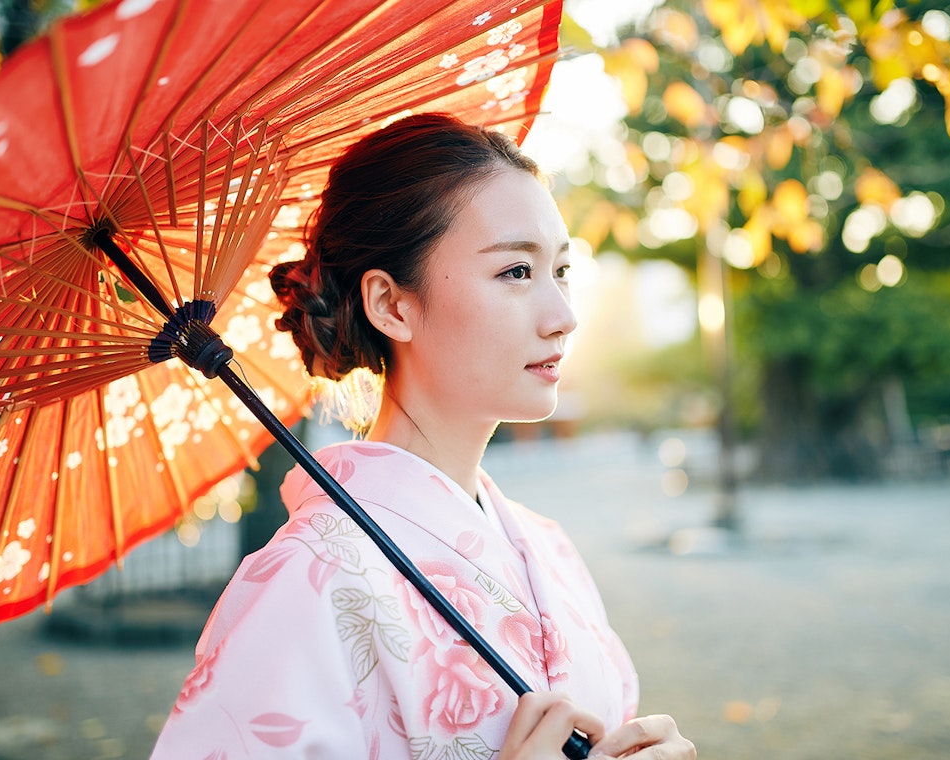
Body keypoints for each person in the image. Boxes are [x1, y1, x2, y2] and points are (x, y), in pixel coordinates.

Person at [151, 113, 695, 760]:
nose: (564, 318)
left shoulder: (547, 549)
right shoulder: (305, 581)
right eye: (516, 272)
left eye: (562, 271)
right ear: (391, 305)